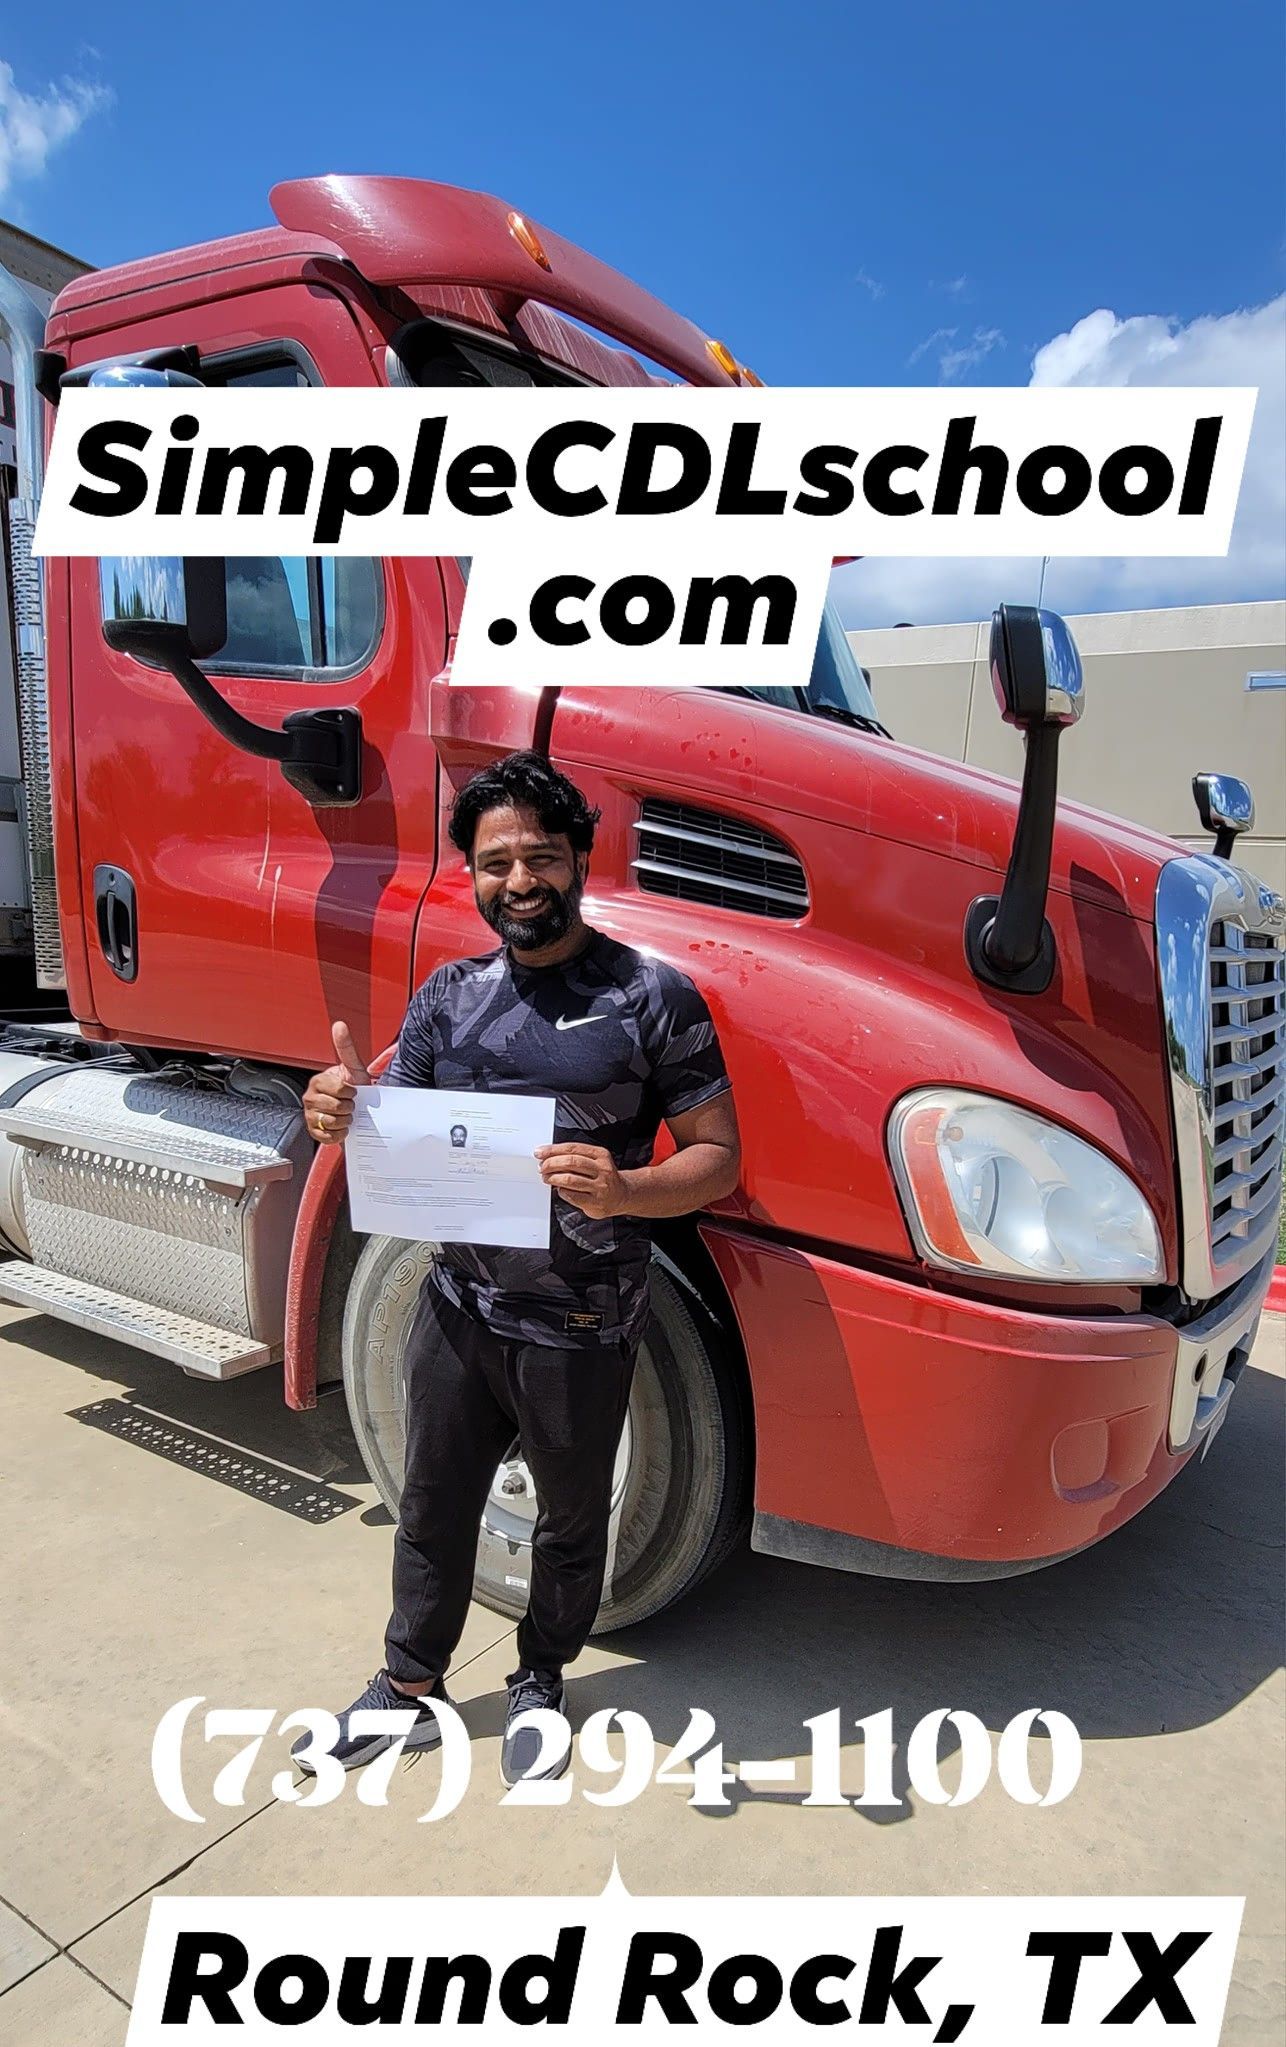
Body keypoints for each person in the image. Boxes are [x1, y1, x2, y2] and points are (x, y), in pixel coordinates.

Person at [298, 750, 740, 1785]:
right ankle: (410, 1685)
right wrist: (337, 1108)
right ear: (472, 874)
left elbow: (718, 1159)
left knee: (571, 1522)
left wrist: (626, 1189)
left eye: (540, 856)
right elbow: (397, 1124)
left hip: (581, 1321)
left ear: (580, 858)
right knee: (430, 1505)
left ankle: (540, 1679)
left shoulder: (652, 997)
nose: (519, 880)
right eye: (496, 862)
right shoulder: (449, 995)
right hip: (457, 1305)